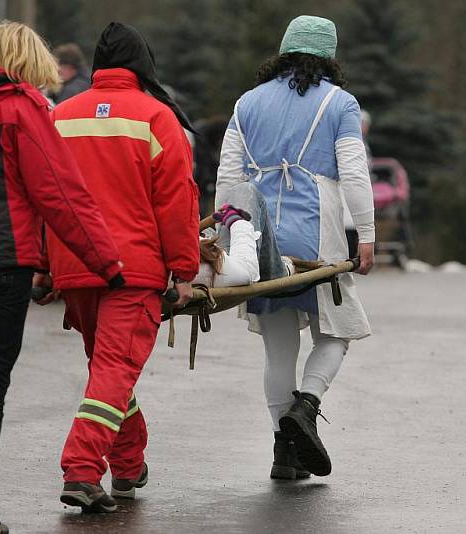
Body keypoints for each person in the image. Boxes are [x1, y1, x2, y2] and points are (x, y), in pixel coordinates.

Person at [0, 22, 122, 533]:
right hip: (1, 264)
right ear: (29, 63)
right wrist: (107, 264)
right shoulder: (22, 109)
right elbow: (60, 194)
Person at [43, 22, 199, 513]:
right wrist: (185, 270)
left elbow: (40, 195)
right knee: (115, 368)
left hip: (76, 264)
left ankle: (129, 465)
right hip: (133, 269)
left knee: (108, 371)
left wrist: (43, 264)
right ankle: (82, 469)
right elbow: (175, 201)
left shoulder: (60, 116)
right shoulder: (156, 117)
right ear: (143, 65)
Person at [216, 15, 376, 480]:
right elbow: (353, 170)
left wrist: (228, 245)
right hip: (316, 233)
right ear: (329, 57)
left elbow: (228, 179)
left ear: (284, 51)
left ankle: (284, 455)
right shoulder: (340, 103)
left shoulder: (246, 103)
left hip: (258, 235)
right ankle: (305, 407)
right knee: (337, 332)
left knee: (277, 350)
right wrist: (365, 234)